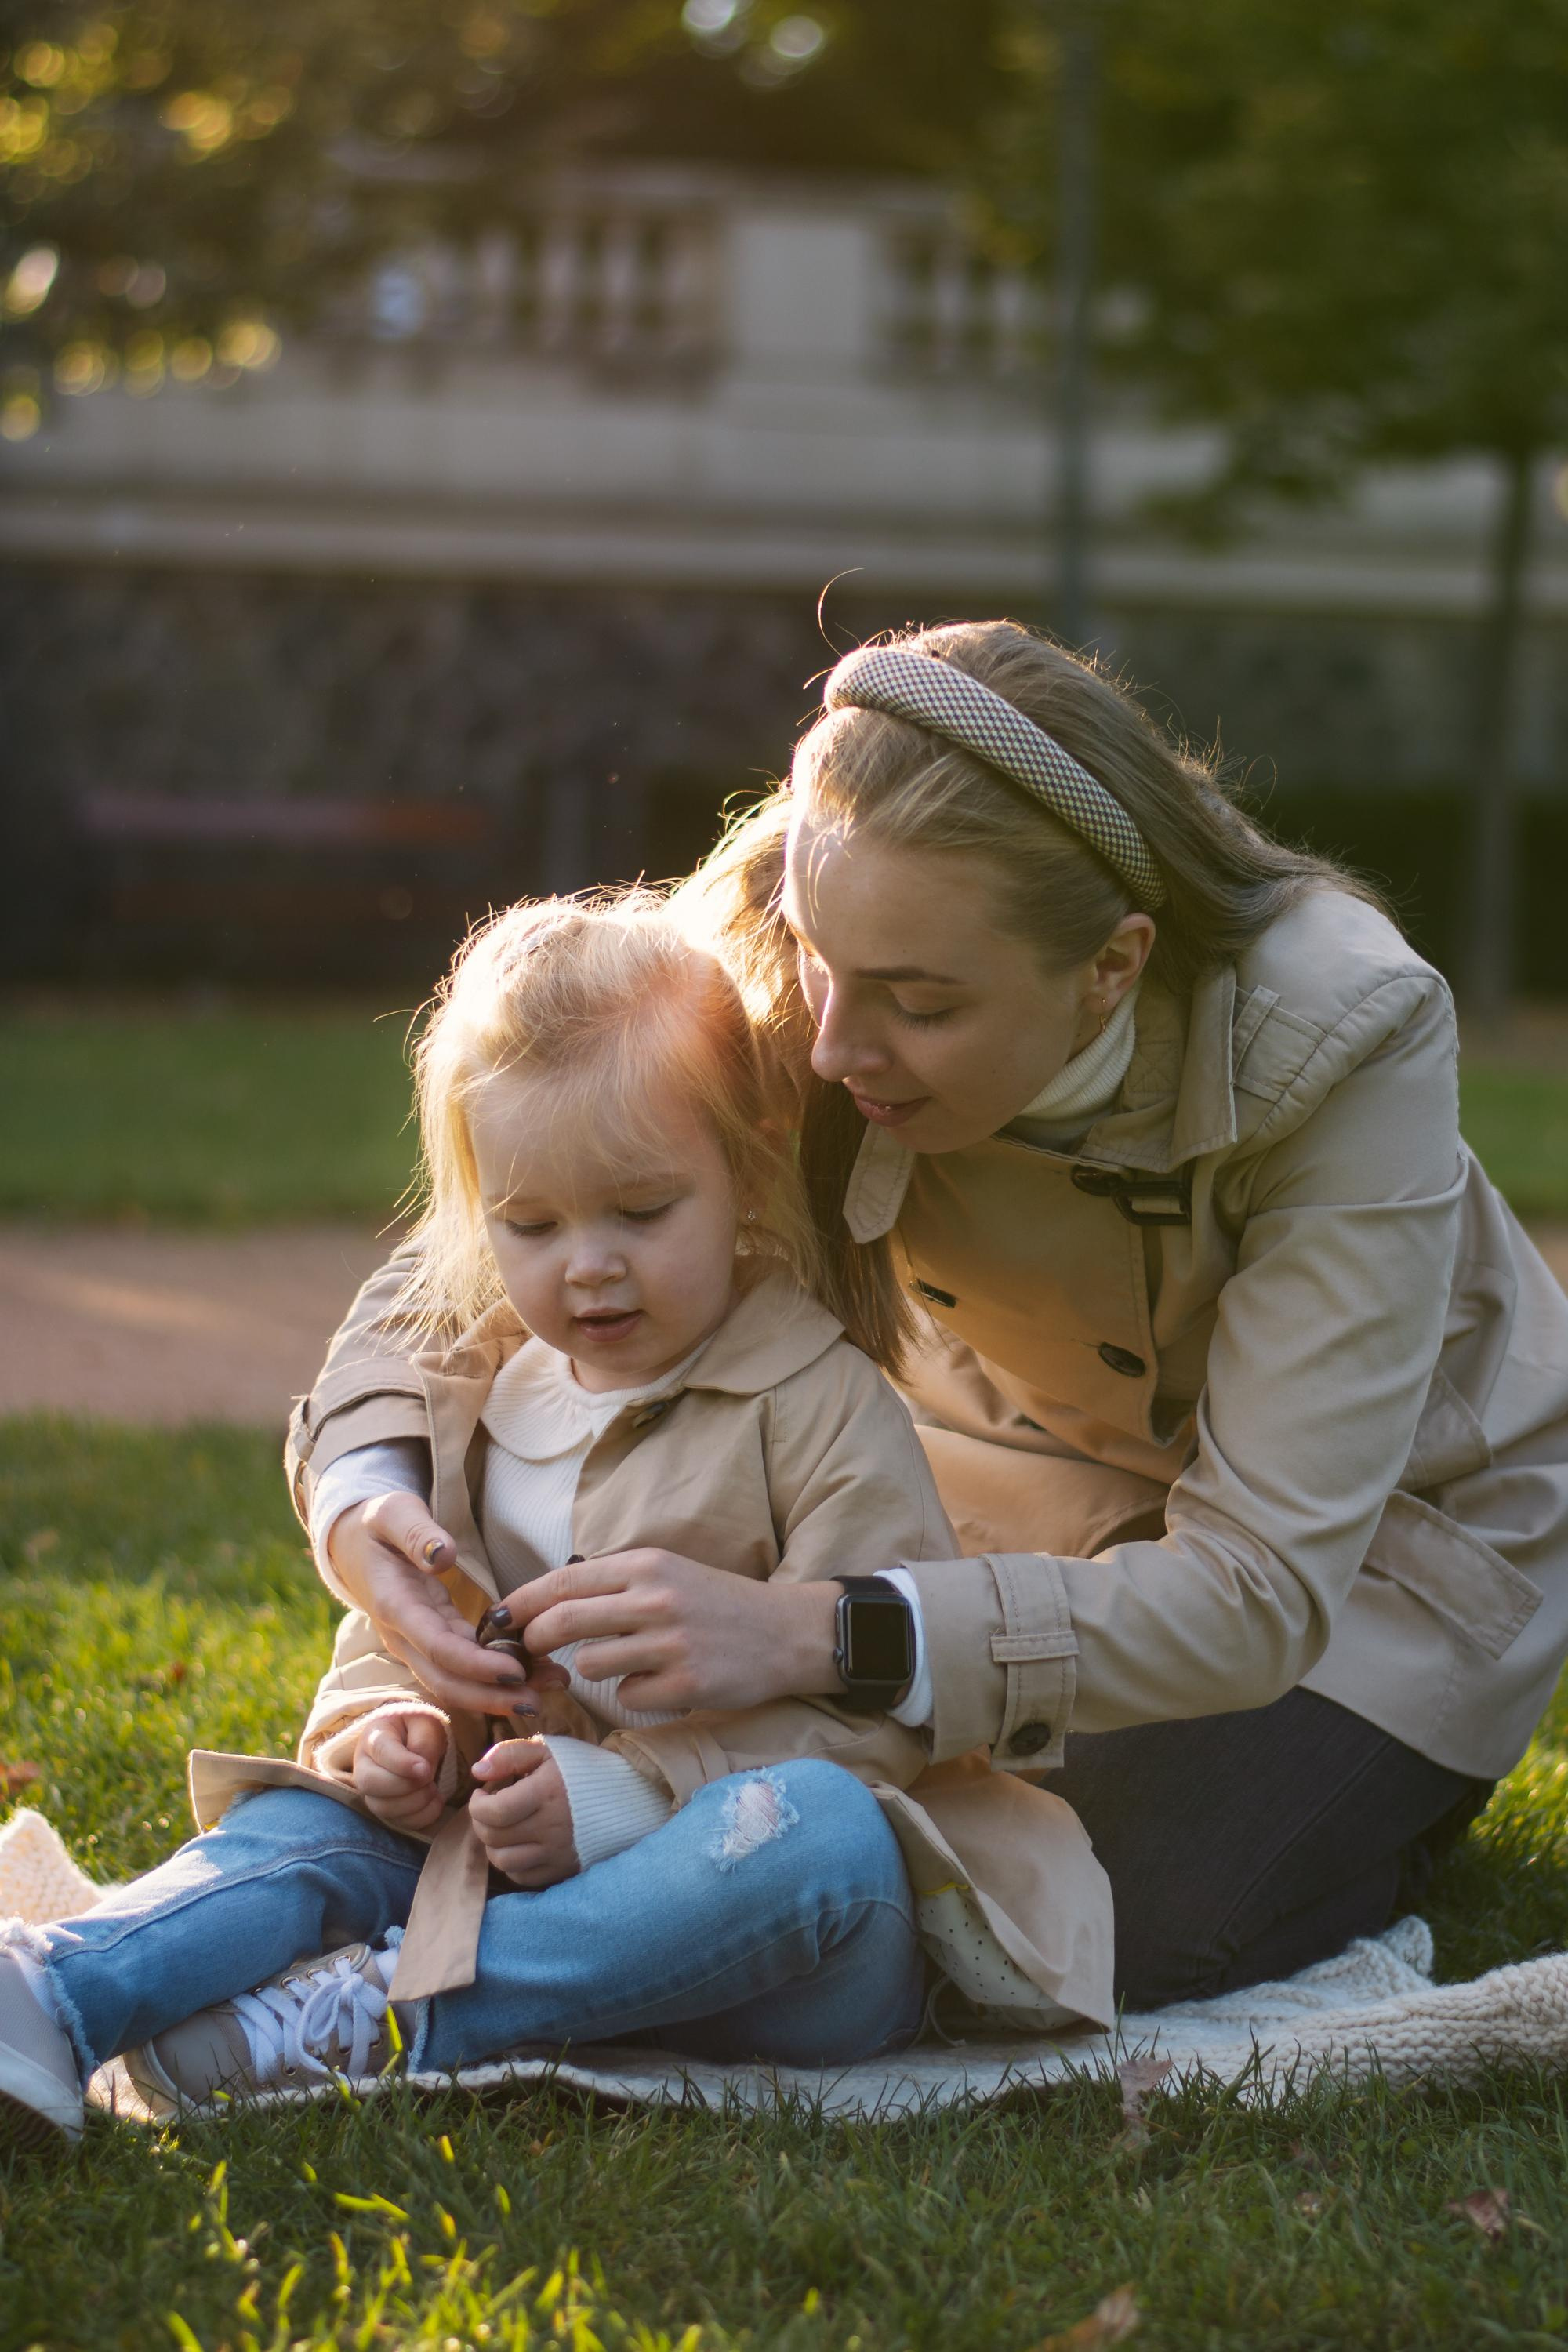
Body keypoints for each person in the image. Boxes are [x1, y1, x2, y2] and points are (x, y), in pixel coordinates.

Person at [292, 620, 1568, 2016]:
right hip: (1018, 1506)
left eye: (923, 1004)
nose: (831, 1046)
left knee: (1105, 1927)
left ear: (1113, 966)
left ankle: (1381, 1804)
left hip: (1390, 1551)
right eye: (827, 969)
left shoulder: (1346, 1035)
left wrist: (818, 1636)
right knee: (964, 1868)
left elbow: (1260, 1587)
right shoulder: (810, 921)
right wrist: (363, 1490)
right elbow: (494, 1233)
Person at [0, 891, 1111, 2152]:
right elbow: (411, 1615)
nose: (587, 1264)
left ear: (740, 1170)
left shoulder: (815, 1401)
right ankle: (56, 1991)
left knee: (824, 1838)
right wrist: (394, 1733)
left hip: (759, 1925)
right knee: (302, 1823)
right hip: (485, 1855)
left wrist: (625, 1795)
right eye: (531, 1226)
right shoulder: (476, 1384)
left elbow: (866, 1712)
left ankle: (389, 2018)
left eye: (643, 1212)